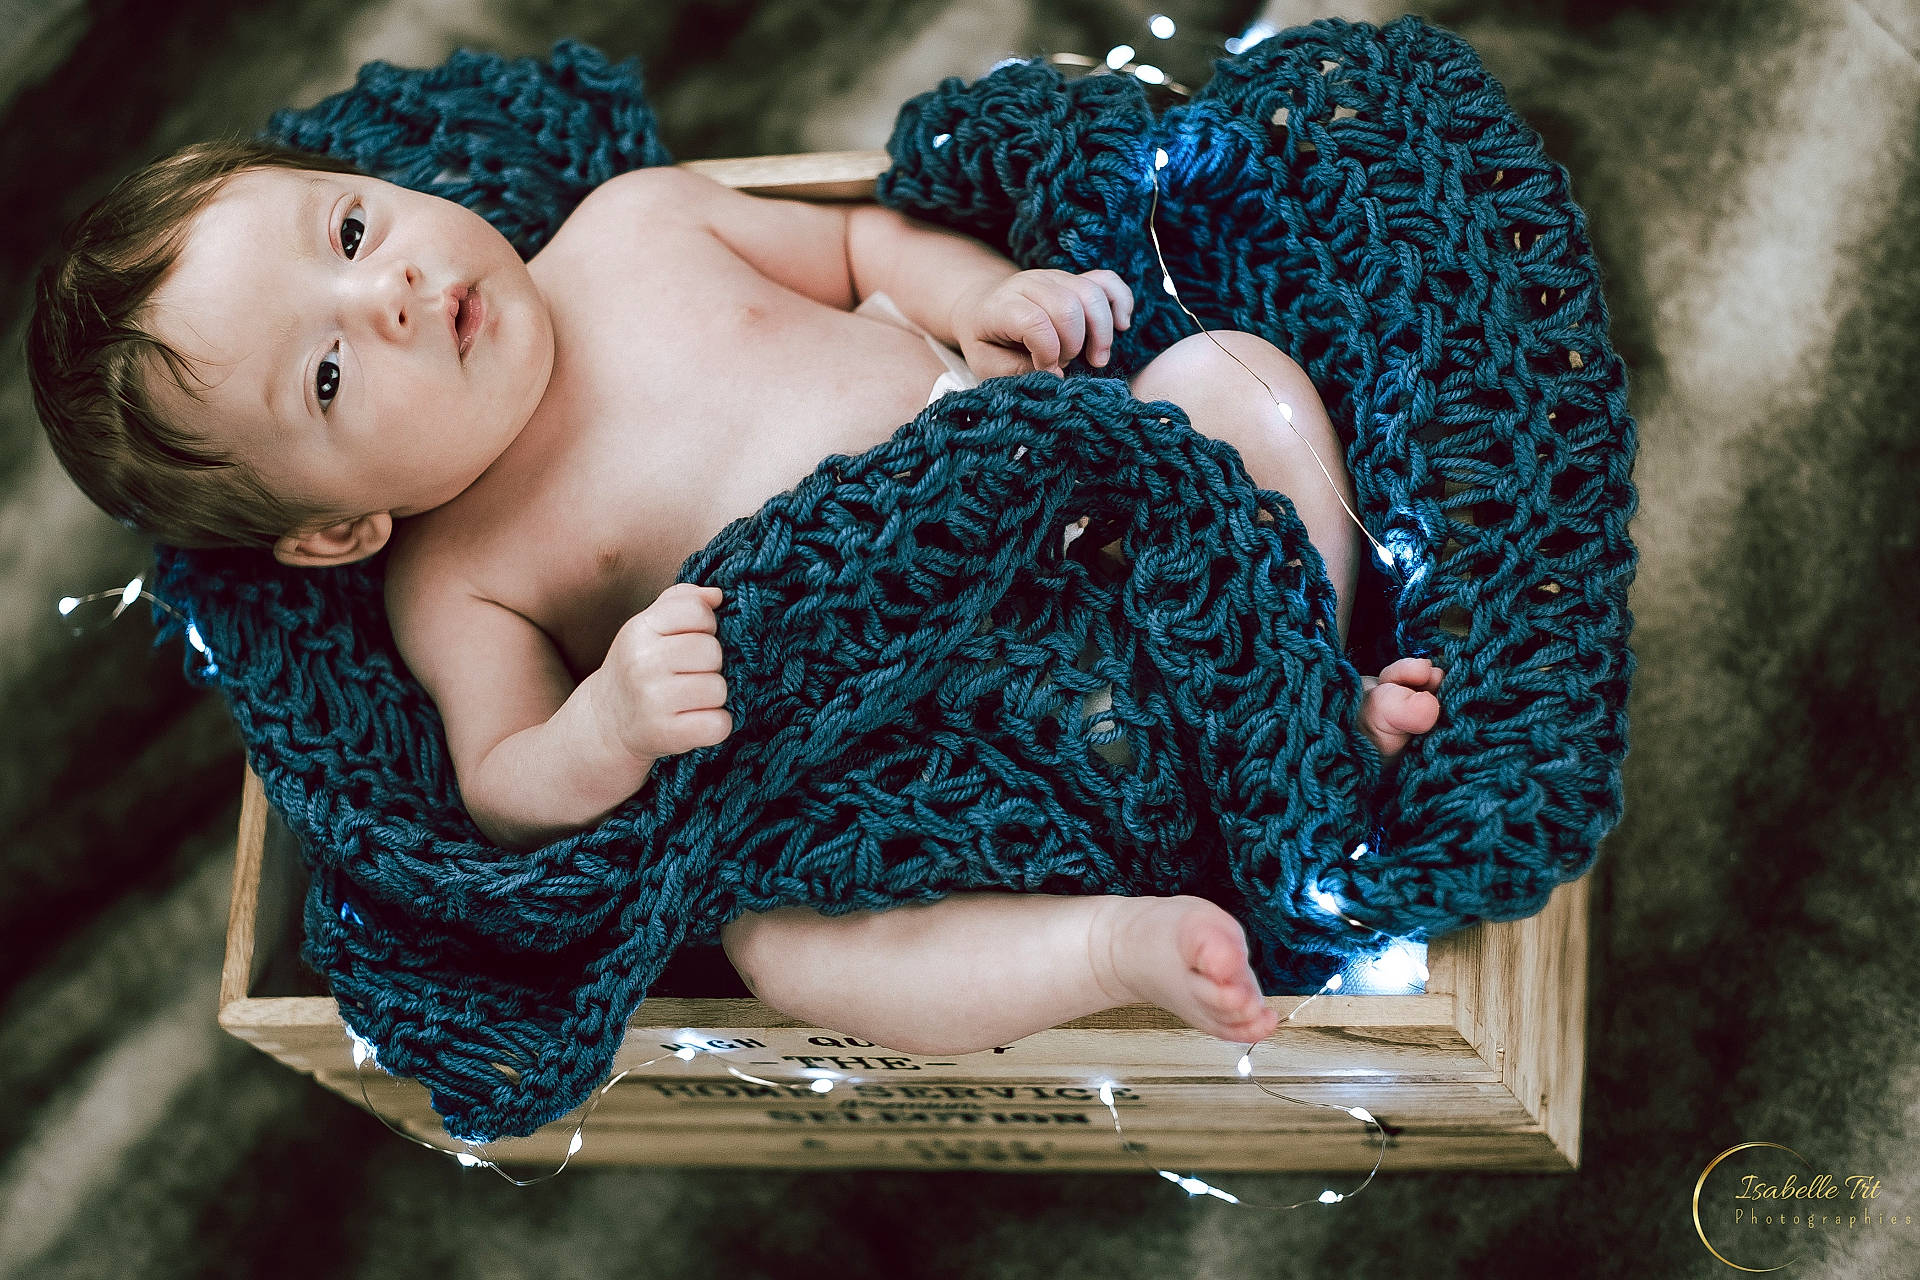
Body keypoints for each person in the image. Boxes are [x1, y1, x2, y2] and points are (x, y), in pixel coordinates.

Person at [28, 137, 1446, 1056]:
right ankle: (1110, 943)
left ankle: (1292, 689)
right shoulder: (457, 578)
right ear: (339, 530)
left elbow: (850, 247)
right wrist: (614, 723)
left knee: (1229, 386)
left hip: (1079, 535)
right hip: (920, 759)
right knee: (786, 946)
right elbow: (503, 788)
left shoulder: (634, 226)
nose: (387, 293)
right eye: (326, 378)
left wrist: (982, 298)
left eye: (345, 230)